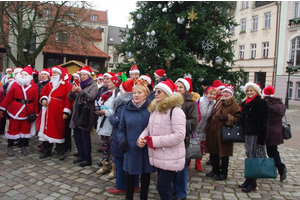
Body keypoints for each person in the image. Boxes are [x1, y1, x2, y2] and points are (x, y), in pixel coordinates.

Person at [137, 79, 186, 200]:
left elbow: (179, 135)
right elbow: (149, 128)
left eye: (159, 91)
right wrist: (142, 138)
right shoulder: (156, 110)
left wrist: (154, 141)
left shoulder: (176, 111)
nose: (156, 93)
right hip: (159, 155)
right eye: (155, 91)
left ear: (167, 93)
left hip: (171, 156)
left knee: (162, 186)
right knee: (165, 187)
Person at [118, 80, 155, 200]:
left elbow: (155, 128)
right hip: (131, 148)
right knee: (130, 176)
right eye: (134, 92)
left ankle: (143, 198)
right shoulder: (126, 108)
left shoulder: (151, 108)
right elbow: (121, 128)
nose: (136, 95)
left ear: (146, 94)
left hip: (146, 148)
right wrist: (122, 141)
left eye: (139, 92)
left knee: (145, 176)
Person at [107, 79, 140, 194]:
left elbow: (118, 122)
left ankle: (121, 186)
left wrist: (111, 116)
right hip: (132, 137)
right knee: (133, 162)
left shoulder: (122, 104)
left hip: (120, 138)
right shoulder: (137, 102)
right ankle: (135, 184)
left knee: (119, 161)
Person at [0, 66, 39, 156]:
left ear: (29, 76)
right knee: (13, 129)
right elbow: (8, 98)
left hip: (27, 111)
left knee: (25, 130)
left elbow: (36, 101)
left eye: (25, 74)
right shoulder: (15, 84)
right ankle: (10, 146)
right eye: (22, 74)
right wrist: (2, 108)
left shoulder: (34, 87)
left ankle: (23, 146)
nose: (22, 76)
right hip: (15, 111)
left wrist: (36, 113)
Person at [205, 86, 241, 181]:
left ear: (231, 94)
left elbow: (238, 118)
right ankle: (215, 169)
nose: (226, 94)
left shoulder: (234, 105)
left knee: (224, 154)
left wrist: (227, 118)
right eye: (224, 92)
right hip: (213, 130)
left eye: (228, 92)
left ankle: (223, 172)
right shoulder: (218, 101)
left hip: (224, 132)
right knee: (213, 152)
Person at [37, 66, 73, 160]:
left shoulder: (66, 85)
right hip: (48, 111)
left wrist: (66, 111)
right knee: (48, 130)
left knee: (58, 131)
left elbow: (68, 100)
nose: (53, 75)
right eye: (52, 73)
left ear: (60, 75)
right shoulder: (49, 84)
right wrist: (44, 99)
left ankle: (60, 152)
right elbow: (43, 93)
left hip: (59, 112)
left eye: (55, 73)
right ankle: (46, 151)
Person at [239, 82, 269, 192]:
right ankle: (248, 179)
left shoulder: (261, 103)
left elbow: (264, 123)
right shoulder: (245, 103)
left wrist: (262, 140)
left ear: (256, 91)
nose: (249, 92)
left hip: (256, 134)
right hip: (248, 134)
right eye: (247, 90)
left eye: (251, 90)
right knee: (249, 156)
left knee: (253, 158)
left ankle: (252, 182)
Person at [173, 77, 200, 200]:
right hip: (172, 137)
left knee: (182, 168)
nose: (178, 89)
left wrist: (178, 123)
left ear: (186, 89)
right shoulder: (171, 100)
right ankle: (173, 190)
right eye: (177, 86)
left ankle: (181, 194)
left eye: (181, 87)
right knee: (172, 166)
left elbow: (194, 121)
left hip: (184, 138)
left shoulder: (190, 102)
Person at [68, 66, 98, 167]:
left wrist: (80, 91)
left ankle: (87, 158)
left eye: (84, 75)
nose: (82, 76)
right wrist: (72, 91)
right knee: (77, 136)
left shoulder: (93, 85)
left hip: (86, 113)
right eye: (81, 75)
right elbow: (70, 97)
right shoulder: (79, 84)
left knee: (84, 137)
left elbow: (91, 97)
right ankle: (80, 155)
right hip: (77, 112)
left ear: (89, 75)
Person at [96, 75, 120, 173]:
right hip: (103, 123)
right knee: (104, 145)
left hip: (110, 124)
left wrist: (105, 112)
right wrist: (98, 108)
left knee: (112, 146)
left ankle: (114, 168)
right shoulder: (106, 93)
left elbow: (115, 111)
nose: (107, 83)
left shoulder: (118, 96)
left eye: (110, 81)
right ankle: (105, 163)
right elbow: (99, 102)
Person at [262, 85, 286, 182]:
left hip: (267, 131)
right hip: (277, 131)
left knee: (266, 152)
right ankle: (280, 168)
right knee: (273, 151)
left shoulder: (265, 104)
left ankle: (279, 167)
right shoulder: (280, 104)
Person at [194, 87, 217, 171]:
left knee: (201, 147)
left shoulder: (215, 103)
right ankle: (188, 162)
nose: (212, 96)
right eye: (210, 94)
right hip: (196, 126)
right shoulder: (199, 100)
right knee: (191, 145)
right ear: (206, 94)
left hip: (204, 128)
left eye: (214, 94)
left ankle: (198, 162)